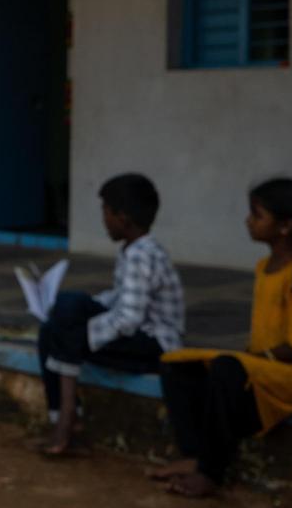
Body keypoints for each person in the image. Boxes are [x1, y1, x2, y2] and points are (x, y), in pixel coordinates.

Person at [153, 178, 292, 498]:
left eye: (257, 215)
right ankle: (193, 454)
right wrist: (250, 360)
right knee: (176, 365)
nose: (248, 221)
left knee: (226, 368)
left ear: (285, 226)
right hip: (265, 366)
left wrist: (252, 361)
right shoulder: (264, 266)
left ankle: (211, 472)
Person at [36, 174, 184, 456]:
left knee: (67, 317)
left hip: (156, 345)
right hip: (137, 335)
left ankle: (66, 419)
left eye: (106, 212)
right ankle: (63, 418)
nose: (103, 220)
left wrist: (81, 335)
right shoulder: (133, 250)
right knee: (55, 323)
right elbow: (117, 297)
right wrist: (77, 317)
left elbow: (128, 318)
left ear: (123, 218)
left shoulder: (142, 255)